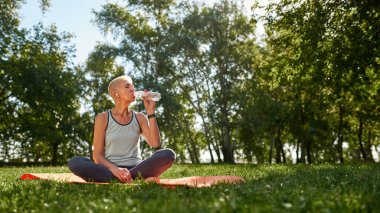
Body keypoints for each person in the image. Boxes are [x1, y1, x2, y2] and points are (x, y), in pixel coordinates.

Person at [68, 75, 176, 183]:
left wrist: (151, 112)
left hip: (137, 168)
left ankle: (124, 178)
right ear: (116, 93)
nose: (132, 89)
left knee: (168, 155)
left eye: (133, 86)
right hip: (110, 169)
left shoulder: (139, 117)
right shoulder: (103, 118)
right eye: (127, 86)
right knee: (75, 162)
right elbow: (97, 155)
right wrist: (115, 170)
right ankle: (135, 179)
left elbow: (155, 143)